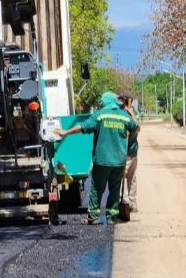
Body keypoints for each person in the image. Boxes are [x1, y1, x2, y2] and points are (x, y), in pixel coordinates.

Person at [56, 92, 139, 224]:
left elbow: (82, 127)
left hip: (102, 160)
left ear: (105, 102)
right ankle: (112, 217)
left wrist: (65, 132)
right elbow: (136, 128)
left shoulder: (99, 115)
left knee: (97, 189)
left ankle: (93, 217)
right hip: (119, 161)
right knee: (115, 189)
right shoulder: (124, 116)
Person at [119, 92, 140, 212]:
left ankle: (132, 203)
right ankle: (124, 202)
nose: (131, 105)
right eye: (130, 103)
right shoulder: (122, 116)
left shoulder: (131, 115)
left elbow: (138, 129)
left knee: (132, 179)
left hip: (133, 153)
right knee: (121, 178)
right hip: (124, 153)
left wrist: (132, 114)